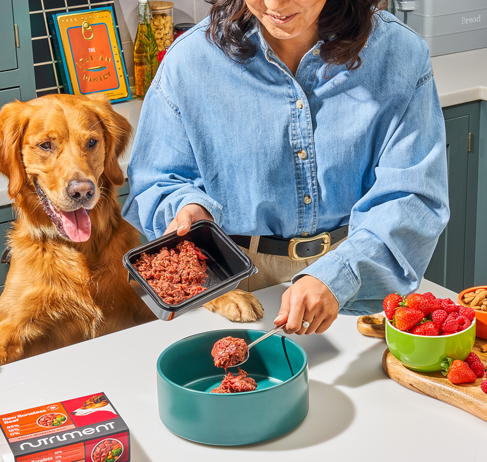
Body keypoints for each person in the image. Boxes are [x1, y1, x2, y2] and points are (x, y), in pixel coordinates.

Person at [122, 0, 449, 336]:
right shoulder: (190, 61)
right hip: (235, 287)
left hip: (358, 277)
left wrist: (338, 274)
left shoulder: (399, 54)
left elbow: (413, 197)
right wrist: (188, 208)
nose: (275, 5)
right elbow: (157, 180)